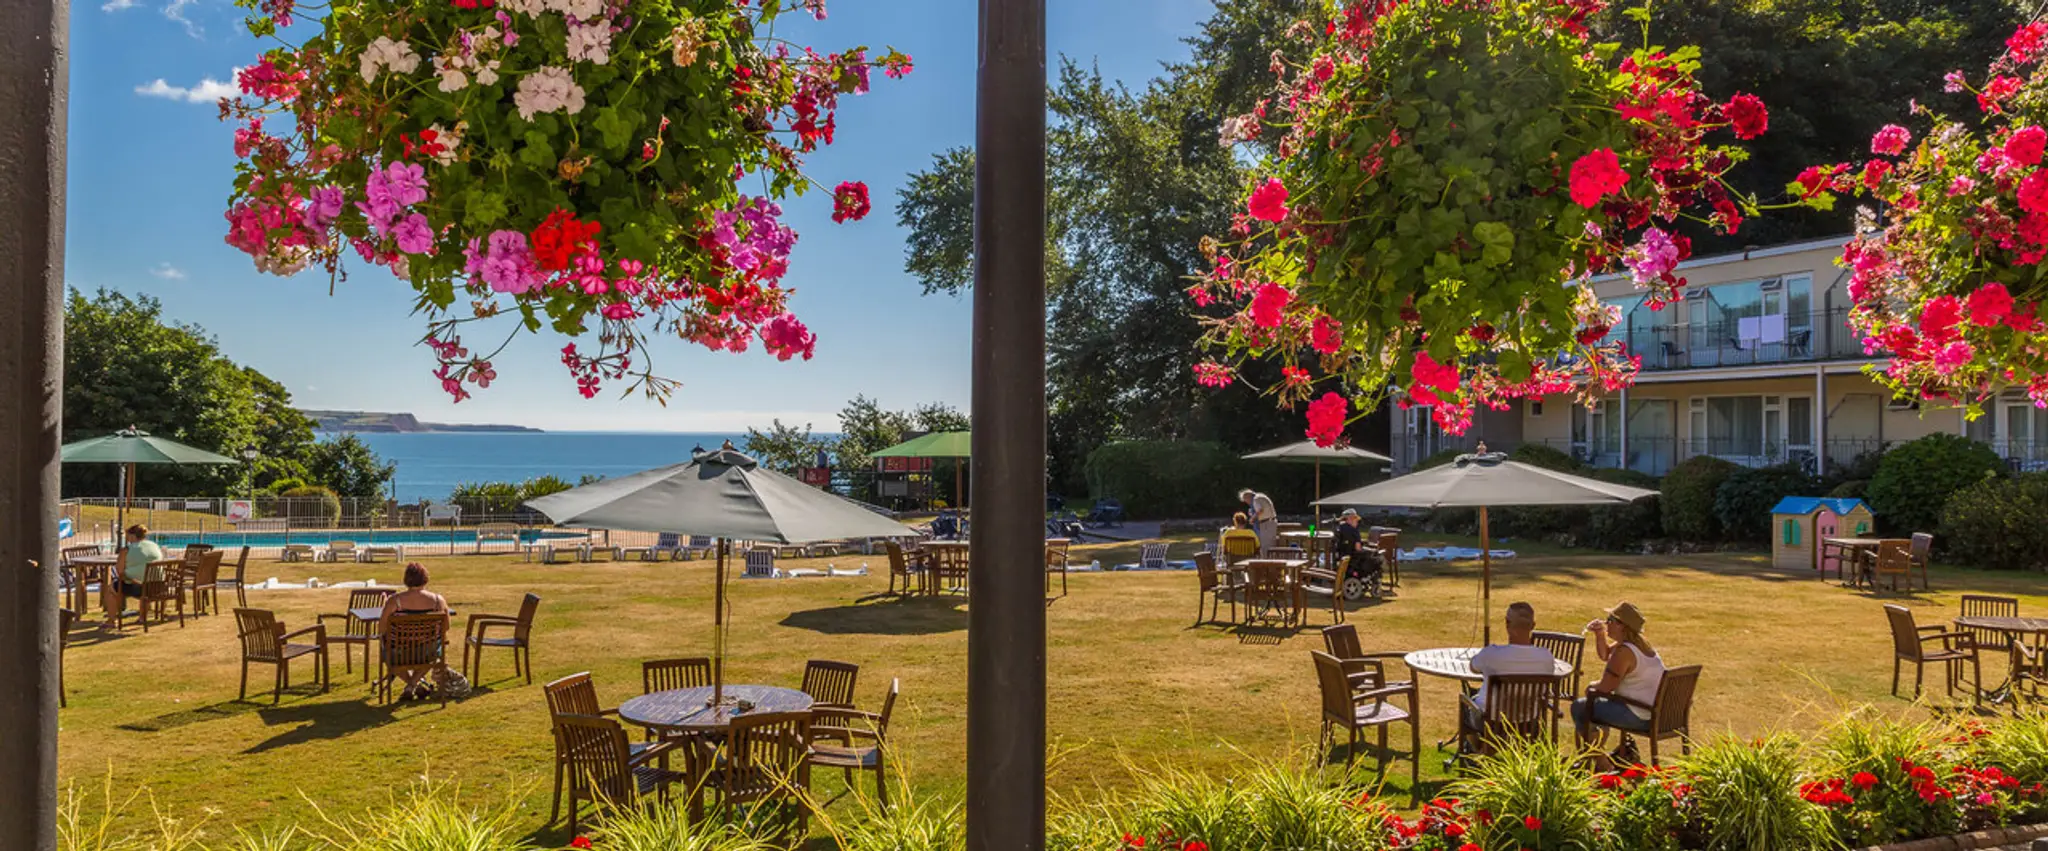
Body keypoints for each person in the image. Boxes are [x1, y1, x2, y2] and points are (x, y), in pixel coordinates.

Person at [1572, 601, 1669, 758]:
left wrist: (1590, 686)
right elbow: (1605, 655)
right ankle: (1594, 758)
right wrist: (1599, 634)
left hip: (1638, 716)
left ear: (1621, 626)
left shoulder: (1624, 652)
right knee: (1592, 705)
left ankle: (1600, 763)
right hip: (1654, 713)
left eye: (1610, 620)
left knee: (1580, 707)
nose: (1606, 623)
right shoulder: (1640, 645)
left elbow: (1605, 688)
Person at [1465, 602, 1556, 728]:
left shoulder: (1491, 654)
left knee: (1467, 705)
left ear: (1507, 623)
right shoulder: (1546, 657)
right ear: (1533, 626)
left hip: (1491, 722)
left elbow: (1473, 667)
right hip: (1528, 722)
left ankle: (1479, 747)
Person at [381, 562, 451, 699]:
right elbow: (446, 627)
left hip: (398, 654)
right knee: (434, 652)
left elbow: (382, 628)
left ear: (406, 580)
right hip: (427, 653)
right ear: (425, 578)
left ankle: (411, 685)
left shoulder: (394, 601)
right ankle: (413, 685)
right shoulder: (438, 601)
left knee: (386, 651)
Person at [108, 524, 164, 616]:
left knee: (112, 589)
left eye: (127, 536)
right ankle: (142, 617)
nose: (126, 538)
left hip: (140, 587)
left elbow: (120, 571)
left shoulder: (126, 550)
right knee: (143, 582)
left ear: (132, 536)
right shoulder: (154, 546)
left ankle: (111, 620)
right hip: (159, 586)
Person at [1239, 488, 1277, 552]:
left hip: (1266, 523)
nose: (1247, 503)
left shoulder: (1255, 499)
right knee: (1270, 545)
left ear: (1248, 497)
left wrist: (1252, 519)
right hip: (1270, 522)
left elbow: (1260, 510)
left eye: (1246, 500)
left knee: (1266, 546)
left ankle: (1266, 561)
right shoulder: (1259, 496)